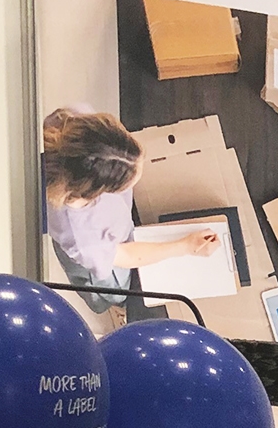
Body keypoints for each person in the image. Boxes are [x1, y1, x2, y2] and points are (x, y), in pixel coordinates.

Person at [41, 108, 219, 309]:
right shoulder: (84, 240)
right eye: (127, 183)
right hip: (105, 258)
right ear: (96, 191)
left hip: (112, 229)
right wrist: (185, 246)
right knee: (116, 292)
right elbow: (127, 256)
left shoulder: (74, 121)